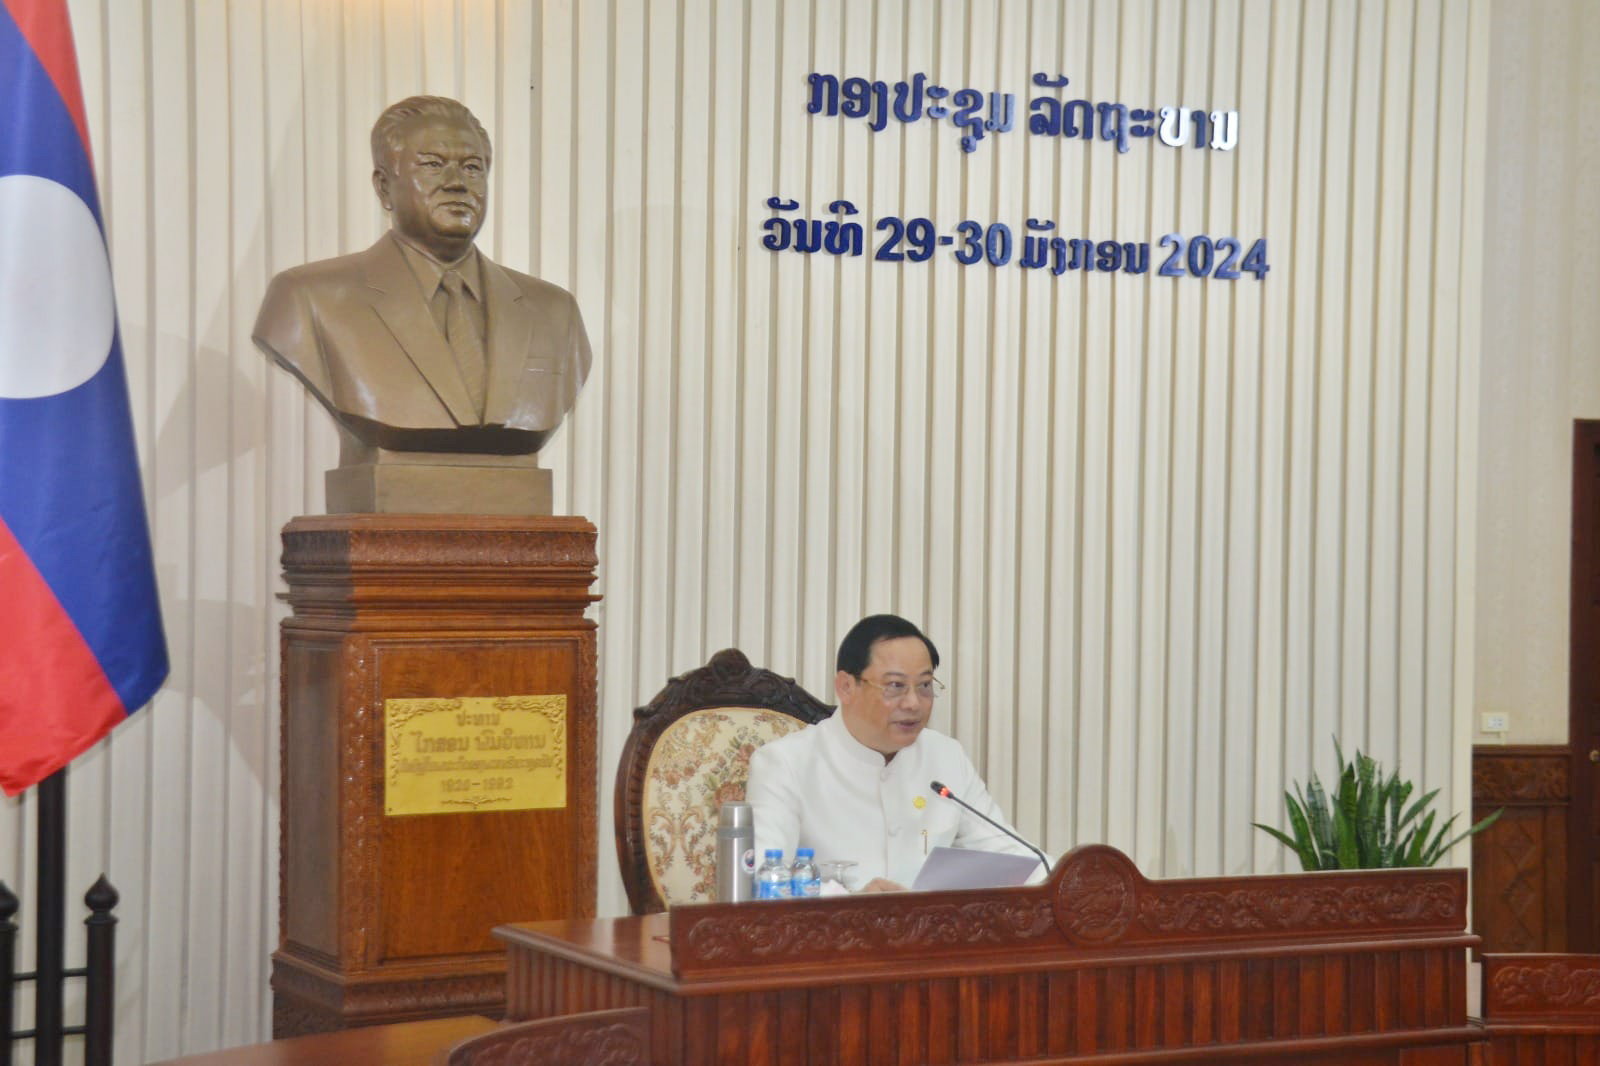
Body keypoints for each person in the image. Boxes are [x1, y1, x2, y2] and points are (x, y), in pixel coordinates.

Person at [252, 95, 591, 459]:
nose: (457, 183)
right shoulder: (308, 299)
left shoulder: (555, 312)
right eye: (433, 164)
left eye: (472, 168)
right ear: (384, 187)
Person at [745, 614, 1044, 892]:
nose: (913, 703)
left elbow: (1017, 859)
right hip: (830, 930)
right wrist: (849, 903)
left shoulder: (946, 756)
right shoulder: (785, 764)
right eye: (895, 686)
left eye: (924, 685)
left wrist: (1064, 882)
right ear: (846, 687)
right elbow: (762, 881)